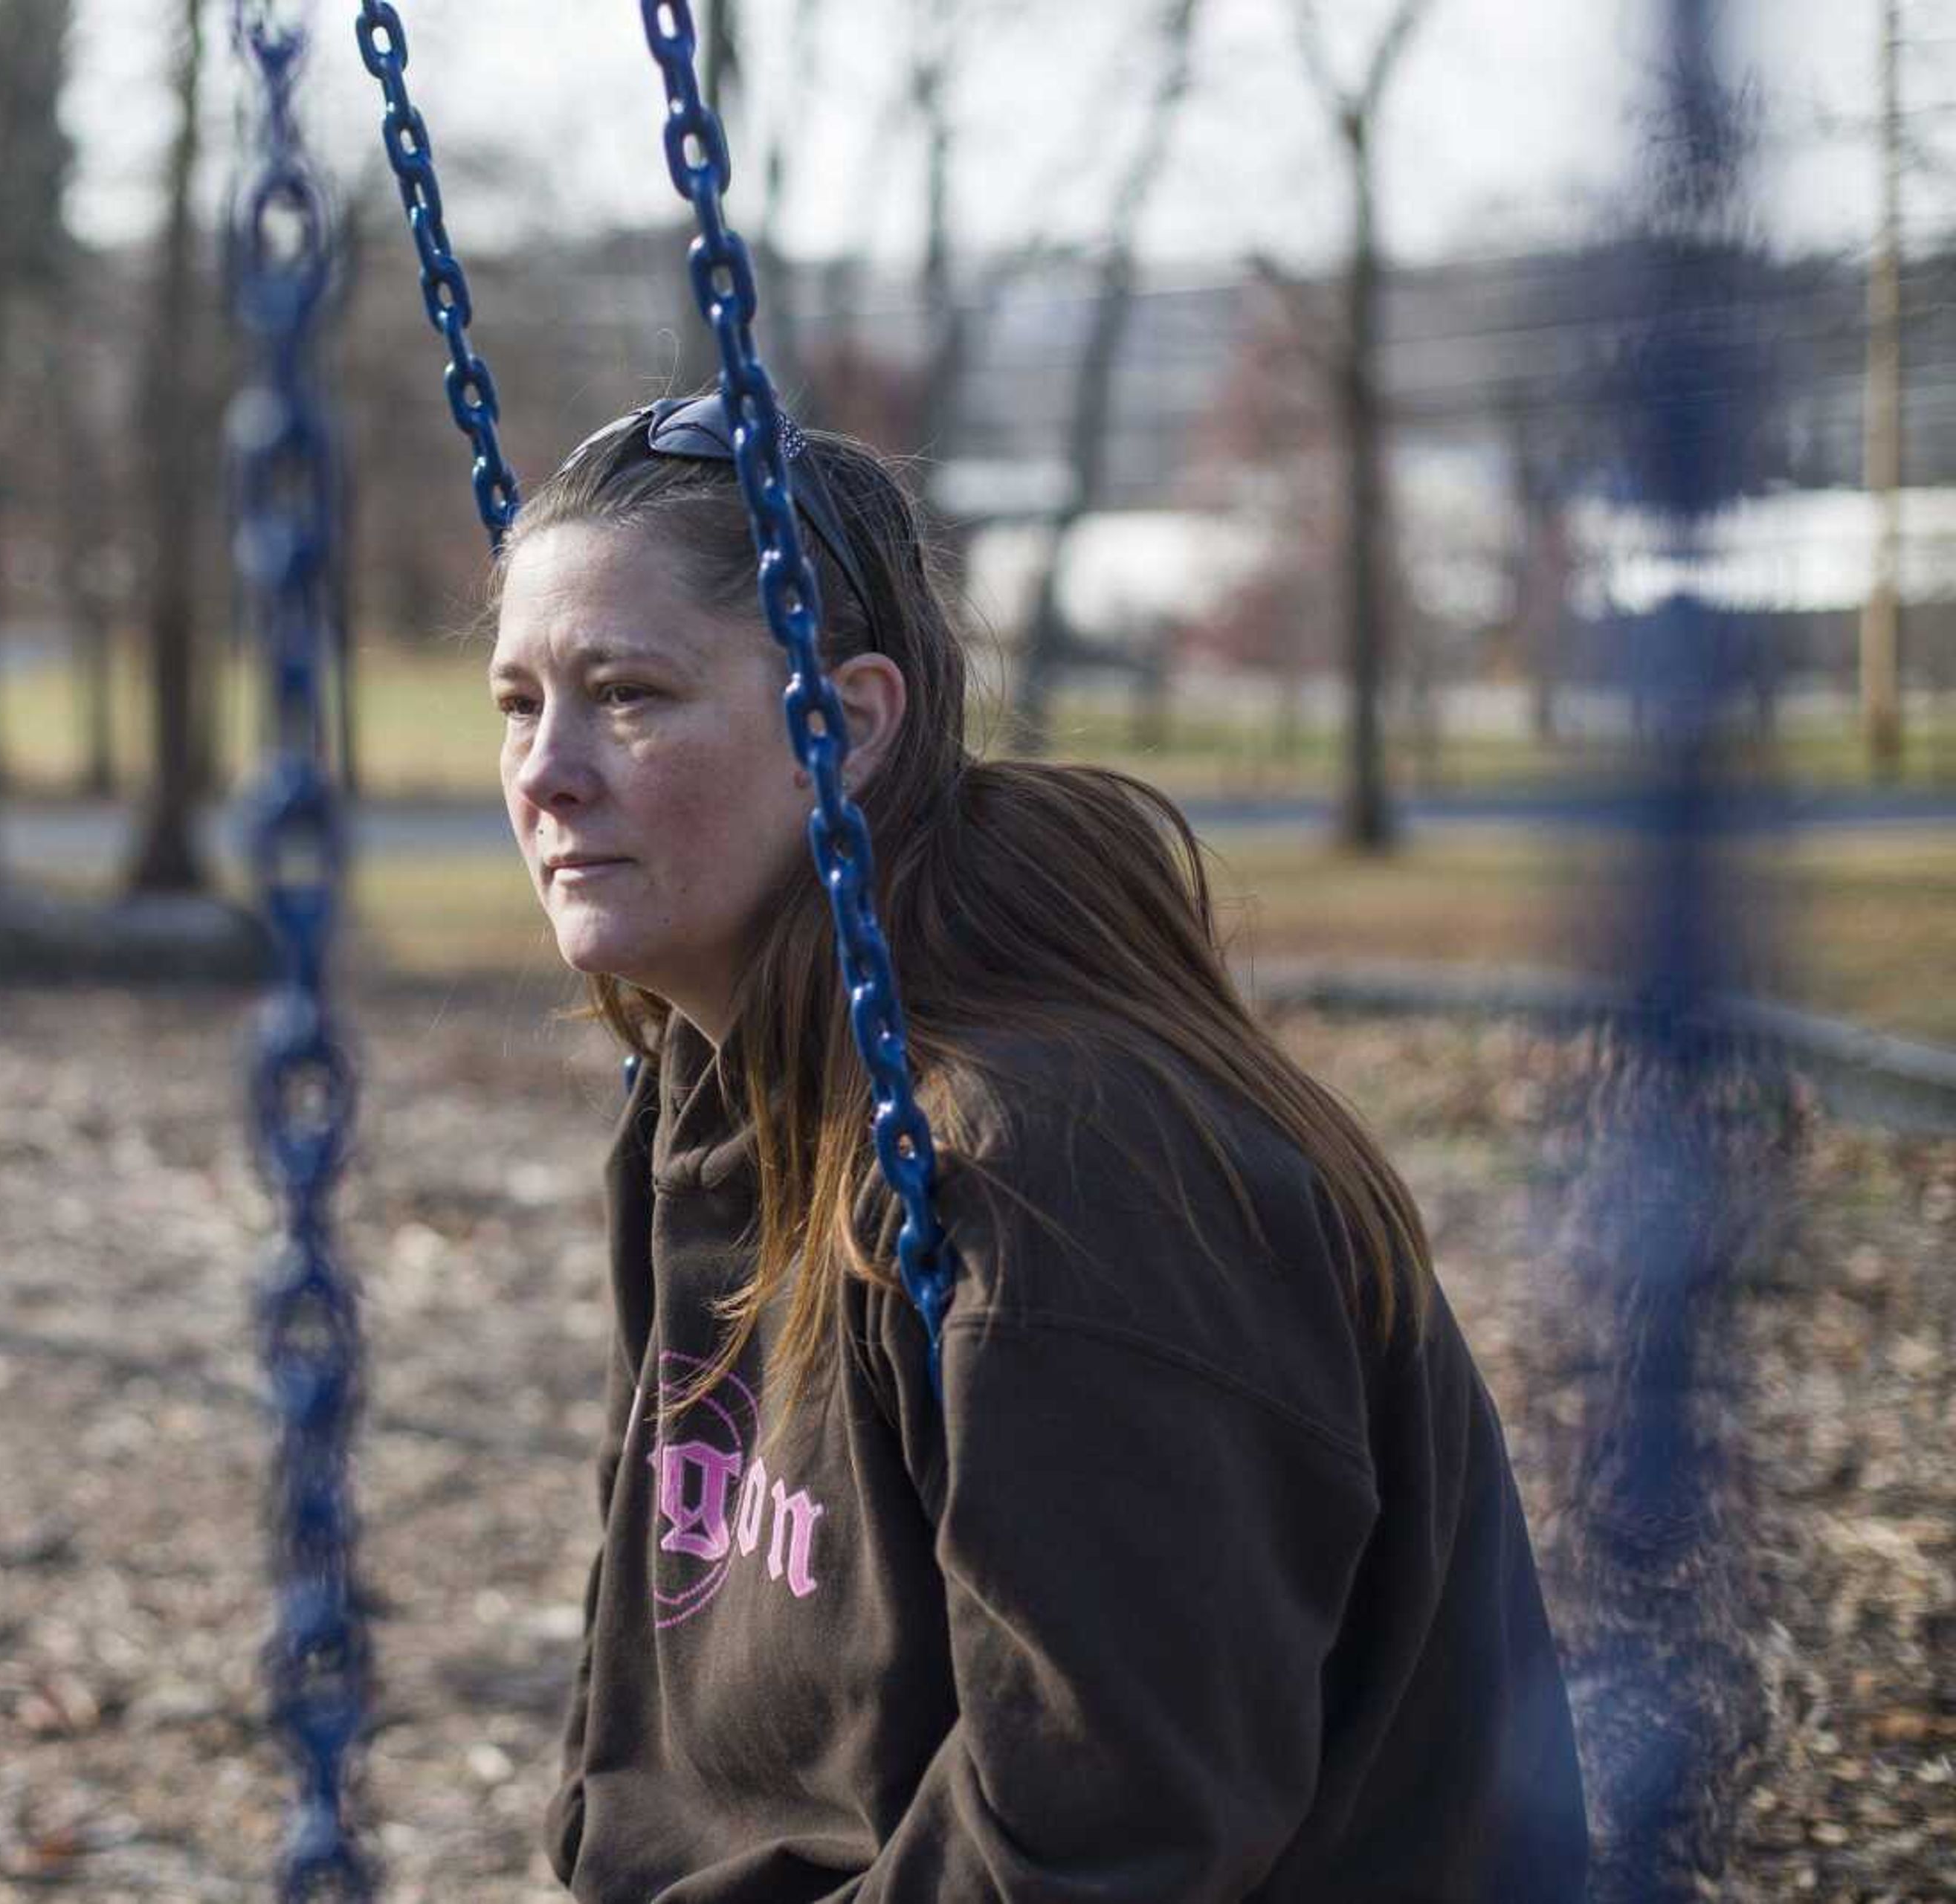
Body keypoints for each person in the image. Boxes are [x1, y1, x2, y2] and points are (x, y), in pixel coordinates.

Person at [488, 391, 1590, 1902]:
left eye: (626, 692)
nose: (546, 771)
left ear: (849, 724)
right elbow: (665, 1748)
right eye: (516, 702)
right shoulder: (712, 1088)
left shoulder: (1057, 1172)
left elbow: (1102, 1835)